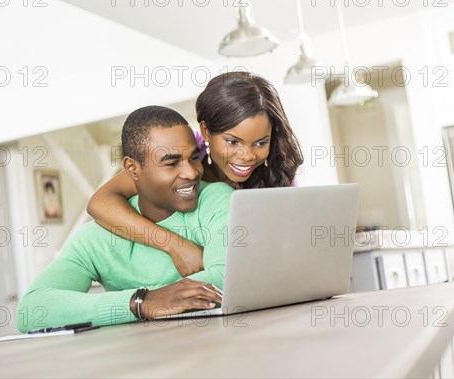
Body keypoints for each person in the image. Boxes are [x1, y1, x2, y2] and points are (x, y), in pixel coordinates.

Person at [17, 106, 231, 332]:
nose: (191, 173)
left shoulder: (217, 200)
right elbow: (31, 311)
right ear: (132, 168)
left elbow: (229, 278)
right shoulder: (96, 237)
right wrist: (141, 303)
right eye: (171, 163)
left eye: (194, 157)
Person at [87, 71, 304, 276]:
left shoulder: (277, 175)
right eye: (232, 141)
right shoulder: (181, 159)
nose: (247, 156)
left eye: (260, 142)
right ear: (206, 132)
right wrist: (174, 245)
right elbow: (100, 202)